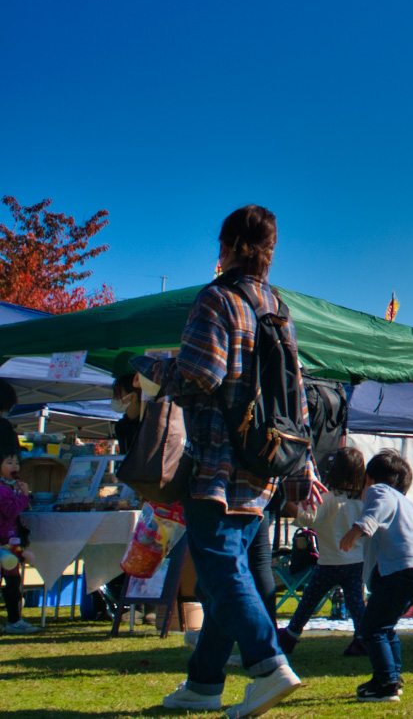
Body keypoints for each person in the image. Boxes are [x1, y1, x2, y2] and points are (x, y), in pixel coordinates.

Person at [133, 205, 323, 718]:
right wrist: (301, 464)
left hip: (216, 458)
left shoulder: (217, 299)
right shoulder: (276, 306)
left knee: (218, 569)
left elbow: (199, 374)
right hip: (262, 460)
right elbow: (297, 393)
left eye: (220, 243)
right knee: (229, 568)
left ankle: (267, 664)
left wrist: (142, 367)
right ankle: (203, 684)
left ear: (234, 246)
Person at [339, 449, 413, 704]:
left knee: (372, 628)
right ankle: (392, 678)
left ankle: (386, 682)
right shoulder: (411, 509)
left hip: (401, 571)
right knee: (385, 627)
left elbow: (380, 505)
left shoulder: (380, 492)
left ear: (368, 479)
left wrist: (360, 528)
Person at [277, 446, 368, 656]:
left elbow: (306, 519)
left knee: (309, 602)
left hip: (329, 563)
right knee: (356, 604)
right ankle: (363, 639)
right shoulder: (362, 501)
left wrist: (286, 500)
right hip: (356, 563)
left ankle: (290, 636)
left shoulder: (327, 498)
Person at [0, 448, 38, 635]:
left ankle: (14, 620)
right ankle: (13, 620)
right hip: (3, 544)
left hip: (10, 543)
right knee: (11, 581)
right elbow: (9, 512)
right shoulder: (2, 489)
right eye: (9, 463)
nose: (14, 466)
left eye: (16, 463)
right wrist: (23, 496)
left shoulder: (11, 487)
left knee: (14, 582)